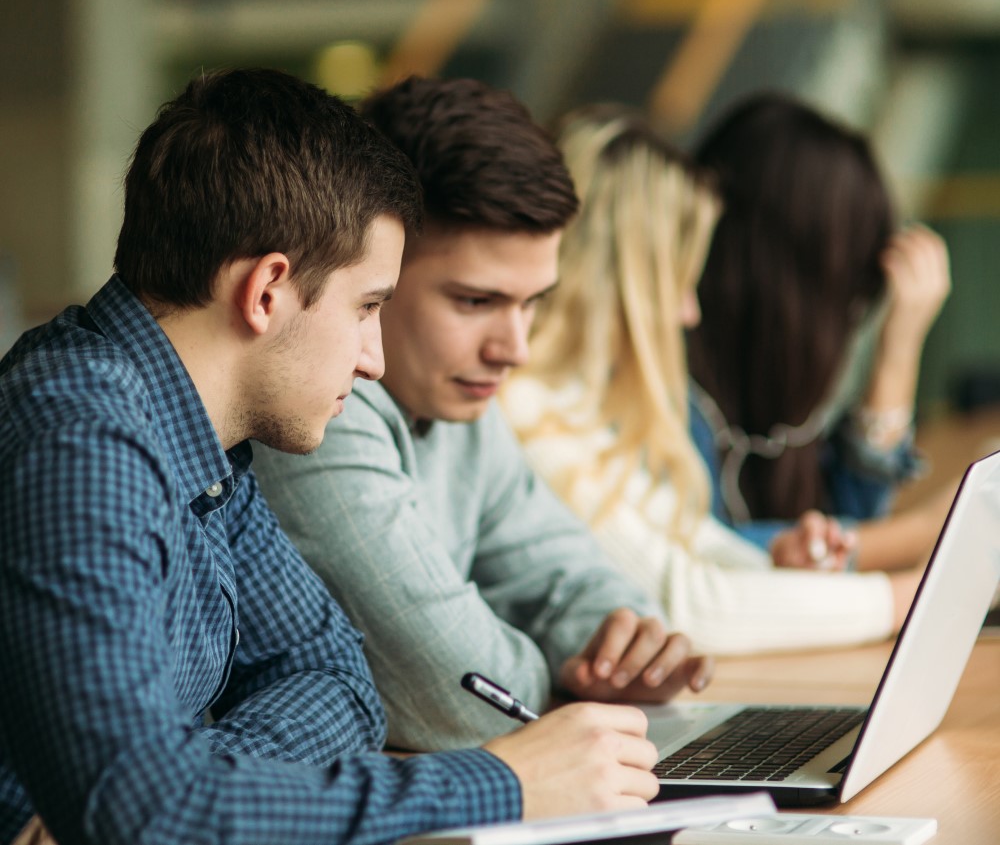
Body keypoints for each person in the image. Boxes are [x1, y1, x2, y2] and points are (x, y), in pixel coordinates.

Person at [0, 69, 665, 845]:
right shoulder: (79, 443)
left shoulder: (206, 444)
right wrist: (501, 785)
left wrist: (191, 782)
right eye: (368, 307)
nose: (374, 358)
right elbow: (148, 814)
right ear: (268, 291)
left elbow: (338, 680)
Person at [254, 76, 712, 753]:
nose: (514, 349)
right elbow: (458, 696)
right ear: (372, 272)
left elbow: (569, 575)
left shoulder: (459, 400)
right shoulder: (317, 412)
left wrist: (623, 641)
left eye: (532, 303)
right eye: (475, 301)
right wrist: (565, 671)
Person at [501, 104, 925, 656]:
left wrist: (777, 569)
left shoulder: (578, 404)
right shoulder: (522, 406)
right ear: (623, 282)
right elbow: (689, 604)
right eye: (679, 281)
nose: (689, 314)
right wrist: (913, 589)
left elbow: (700, 549)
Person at [685, 92, 951, 569]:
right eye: (844, 304)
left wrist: (899, 348)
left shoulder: (767, 410)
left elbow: (840, 521)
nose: (841, 333)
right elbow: (694, 561)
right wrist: (919, 536)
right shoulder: (668, 392)